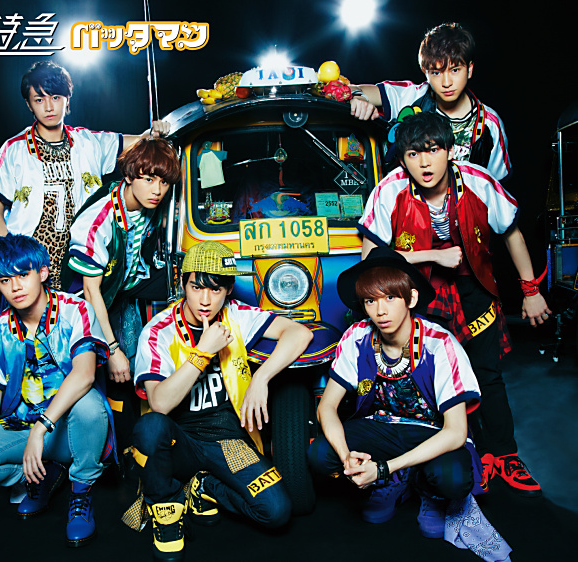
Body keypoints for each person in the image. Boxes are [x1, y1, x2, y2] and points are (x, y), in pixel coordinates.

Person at [358, 111, 551, 496]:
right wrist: (432, 255)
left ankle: (504, 454)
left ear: (450, 151)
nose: (424, 162)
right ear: (403, 159)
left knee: (487, 373)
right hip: (416, 291)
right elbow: (370, 260)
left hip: (473, 284)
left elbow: (511, 233)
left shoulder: (478, 180)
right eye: (414, 154)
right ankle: (451, 455)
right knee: (425, 376)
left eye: (433, 150)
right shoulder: (389, 190)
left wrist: (531, 290)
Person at [308, 248, 512, 562]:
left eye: (390, 297)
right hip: (381, 428)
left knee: (453, 479)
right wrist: (347, 456)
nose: (380, 310)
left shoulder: (439, 344)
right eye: (370, 300)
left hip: (432, 433)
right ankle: (394, 482)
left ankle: (425, 487)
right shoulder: (358, 336)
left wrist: (383, 468)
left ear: (411, 298)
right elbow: (327, 407)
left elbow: (456, 432)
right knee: (321, 454)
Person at [129, 241, 312, 561]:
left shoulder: (235, 315)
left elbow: (300, 333)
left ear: (228, 290)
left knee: (277, 511)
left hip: (229, 441)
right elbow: (159, 403)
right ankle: (167, 510)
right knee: (150, 426)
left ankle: (202, 487)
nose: (205, 300)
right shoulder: (157, 331)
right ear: (182, 284)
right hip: (178, 443)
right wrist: (202, 352)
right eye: (196, 287)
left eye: (215, 289)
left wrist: (261, 378)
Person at [0, 234, 112, 547]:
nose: (16, 287)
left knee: (88, 403)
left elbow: (85, 374)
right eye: (5, 280)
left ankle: (81, 492)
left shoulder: (75, 311)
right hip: (23, 429)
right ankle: (38, 475)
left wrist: (41, 428)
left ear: (43, 272)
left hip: (70, 430)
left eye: (23, 274)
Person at [0, 60, 169, 289]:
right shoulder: (14, 149)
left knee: (83, 311)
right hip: (28, 265)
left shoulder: (87, 142)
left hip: (78, 262)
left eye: (56, 97)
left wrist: (156, 131)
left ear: (67, 99)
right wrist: (10, 259)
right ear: (29, 104)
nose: (49, 107)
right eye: (39, 100)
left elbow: (140, 141)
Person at [62, 137, 180, 456]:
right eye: (149, 179)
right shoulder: (97, 221)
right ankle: (118, 451)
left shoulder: (153, 203)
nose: (157, 190)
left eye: (164, 182)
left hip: (127, 284)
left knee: (188, 285)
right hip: (89, 301)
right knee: (116, 371)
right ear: (128, 176)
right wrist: (111, 348)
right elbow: (91, 292)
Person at [349, 22, 511, 182]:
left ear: (469, 69)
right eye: (436, 72)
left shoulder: (489, 124)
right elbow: (349, 89)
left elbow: (498, 188)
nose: (446, 82)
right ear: (425, 71)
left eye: (455, 70)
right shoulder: (411, 96)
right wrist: (359, 98)